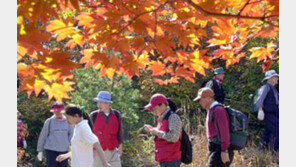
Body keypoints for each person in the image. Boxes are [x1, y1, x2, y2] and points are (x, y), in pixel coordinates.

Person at [193, 87, 234, 167]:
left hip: (220, 148)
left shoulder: (218, 110)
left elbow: (224, 131)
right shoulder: (211, 109)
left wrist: (224, 150)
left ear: (208, 98)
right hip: (215, 147)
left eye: (200, 99)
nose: (200, 102)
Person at [144, 93, 182, 167]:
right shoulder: (162, 117)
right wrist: (152, 130)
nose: (153, 111)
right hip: (165, 159)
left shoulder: (173, 117)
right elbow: (163, 133)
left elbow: (174, 137)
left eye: (154, 108)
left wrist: (157, 132)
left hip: (171, 159)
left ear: (162, 105)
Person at [90, 91, 123, 167]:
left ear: (107, 103)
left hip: (113, 151)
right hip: (98, 152)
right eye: (98, 102)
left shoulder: (117, 114)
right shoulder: (93, 115)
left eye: (101, 103)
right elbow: (89, 133)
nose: (98, 105)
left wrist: (120, 146)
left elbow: (120, 131)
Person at [36, 101, 73, 167]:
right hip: (51, 151)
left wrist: (74, 149)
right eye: (56, 111)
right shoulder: (49, 121)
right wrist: (40, 150)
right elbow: (43, 136)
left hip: (63, 151)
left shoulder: (68, 121)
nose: (57, 112)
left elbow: (72, 136)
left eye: (59, 111)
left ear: (63, 111)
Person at [256, 70, 279, 154]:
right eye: (275, 77)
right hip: (269, 114)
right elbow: (260, 99)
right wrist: (260, 110)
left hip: (275, 114)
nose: (277, 79)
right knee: (277, 131)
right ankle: (273, 153)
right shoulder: (265, 87)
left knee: (267, 132)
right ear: (270, 79)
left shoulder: (274, 89)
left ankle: (261, 152)